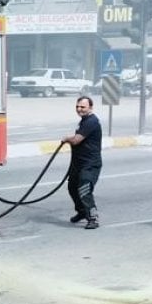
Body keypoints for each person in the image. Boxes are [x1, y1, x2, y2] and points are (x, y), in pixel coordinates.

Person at [62, 96, 102, 229]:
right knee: (72, 187)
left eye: (82, 107)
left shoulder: (92, 121)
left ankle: (93, 218)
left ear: (90, 107)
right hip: (78, 163)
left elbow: (76, 140)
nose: (79, 109)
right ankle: (82, 212)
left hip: (90, 164)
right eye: (77, 106)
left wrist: (67, 138)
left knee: (84, 189)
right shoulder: (84, 121)